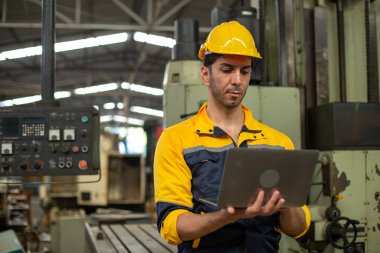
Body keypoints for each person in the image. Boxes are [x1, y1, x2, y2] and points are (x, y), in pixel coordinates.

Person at [153, 21, 310, 253]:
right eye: (227, 70)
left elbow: (299, 228)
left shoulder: (278, 142)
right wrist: (226, 216)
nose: (237, 80)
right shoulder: (177, 140)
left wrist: (285, 206)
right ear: (206, 75)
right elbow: (172, 226)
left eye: (244, 71)